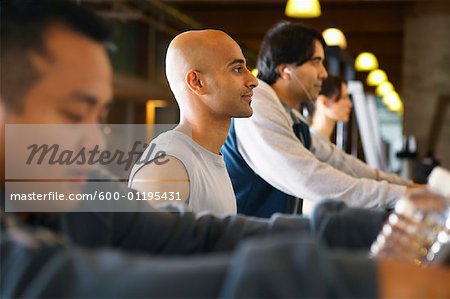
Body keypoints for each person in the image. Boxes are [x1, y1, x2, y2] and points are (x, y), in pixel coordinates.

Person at [2, 1, 450, 298]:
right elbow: (119, 283)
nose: (94, 141)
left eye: (98, 116)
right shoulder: (166, 164)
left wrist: (383, 223)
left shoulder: (79, 193)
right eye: (72, 113)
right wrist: (362, 279)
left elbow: (204, 235)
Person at [222, 21, 415, 218]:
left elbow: (341, 163)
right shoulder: (257, 103)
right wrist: (403, 194)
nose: (323, 73)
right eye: (316, 62)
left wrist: (410, 188)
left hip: (269, 238)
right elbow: (308, 177)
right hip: (242, 242)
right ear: (285, 70)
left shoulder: (291, 117)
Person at [128, 30, 258, 215]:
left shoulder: (206, 156)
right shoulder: (169, 163)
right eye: (237, 69)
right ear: (197, 82)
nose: (253, 80)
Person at [310, 76, 352, 142]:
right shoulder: (309, 144)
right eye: (344, 98)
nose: (349, 104)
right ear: (324, 102)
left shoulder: (324, 143)